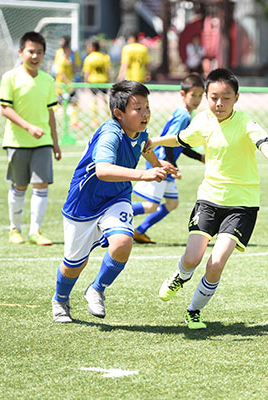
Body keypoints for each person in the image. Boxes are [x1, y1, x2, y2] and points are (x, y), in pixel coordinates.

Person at [147, 68, 268, 329]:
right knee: (192, 258)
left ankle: (194, 310)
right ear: (206, 97)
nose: (219, 103)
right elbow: (181, 139)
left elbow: (264, 144)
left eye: (226, 97)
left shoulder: (246, 122)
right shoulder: (203, 121)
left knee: (215, 263)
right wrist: (154, 140)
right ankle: (181, 275)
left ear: (237, 98)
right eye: (214, 98)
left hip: (242, 205)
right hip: (209, 199)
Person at [51, 80, 178, 323]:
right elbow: (103, 170)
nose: (145, 113)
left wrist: (159, 165)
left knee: (123, 242)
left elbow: (144, 147)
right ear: (119, 114)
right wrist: (144, 174)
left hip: (117, 197)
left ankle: (96, 289)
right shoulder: (111, 133)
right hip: (84, 202)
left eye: (147, 107)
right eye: (138, 108)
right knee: (74, 264)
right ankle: (60, 299)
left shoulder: (140, 133)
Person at [0, 32, 61, 246]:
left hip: (43, 143)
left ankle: (36, 231)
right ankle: (14, 229)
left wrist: (55, 142)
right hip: (17, 142)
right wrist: (28, 127)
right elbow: (5, 109)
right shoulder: (10, 77)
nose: (35, 56)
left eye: (39, 52)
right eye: (31, 51)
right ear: (21, 52)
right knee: (19, 186)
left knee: (41, 185)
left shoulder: (48, 80)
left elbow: (51, 113)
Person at [131, 73, 206, 244]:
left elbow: (180, 142)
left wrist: (199, 157)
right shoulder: (184, 115)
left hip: (165, 162)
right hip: (160, 162)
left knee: (172, 203)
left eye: (200, 95)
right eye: (193, 95)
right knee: (151, 206)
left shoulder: (184, 113)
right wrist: (173, 166)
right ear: (182, 94)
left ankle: (139, 231)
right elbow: (168, 143)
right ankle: (110, 216)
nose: (197, 99)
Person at [52, 36, 81, 128]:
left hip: (70, 83)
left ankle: (74, 122)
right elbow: (59, 72)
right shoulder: (60, 57)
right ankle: (51, 120)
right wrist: (68, 84)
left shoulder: (73, 54)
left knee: (74, 102)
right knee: (58, 103)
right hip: (62, 85)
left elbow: (77, 68)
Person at [82, 40, 111, 127]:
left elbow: (87, 73)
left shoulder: (89, 58)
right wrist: (108, 80)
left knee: (94, 100)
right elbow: (108, 70)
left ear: (93, 47)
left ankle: (94, 120)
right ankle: (110, 117)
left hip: (93, 81)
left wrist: (86, 83)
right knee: (105, 100)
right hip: (103, 81)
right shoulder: (105, 57)